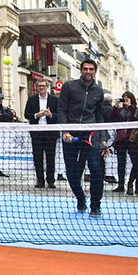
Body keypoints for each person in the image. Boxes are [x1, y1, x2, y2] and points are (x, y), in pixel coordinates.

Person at [60, 59, 108, 215]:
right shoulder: (69, 86)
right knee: (71, 173)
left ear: (95, 71)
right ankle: (81, 199)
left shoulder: (99, 91)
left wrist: (103, 139)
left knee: (95, 168)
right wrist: (65, 131)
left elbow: (99, 115)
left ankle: (96, 206)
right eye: (85, 69)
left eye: (91, 69)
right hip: (71, 133)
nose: (88, 71)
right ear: (81, 70)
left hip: (91, 134)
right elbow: (61, 110)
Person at [24, 79, 59, 189]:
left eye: (43, 86)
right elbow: (26, 114)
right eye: (39, 86)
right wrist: (36, 115)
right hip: (36, 132)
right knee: (37, 157)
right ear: (36, 87)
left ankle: (50, 180)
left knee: (50, 157)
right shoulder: (31, 99)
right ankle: (40, 180)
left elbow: (60, 115)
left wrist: (50, 115)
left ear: (47, 87)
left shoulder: (55, 99)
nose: (41, 88)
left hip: (50, 133)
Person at [109, 92, 137, 194]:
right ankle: (121, 184)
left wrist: (130, 106)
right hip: (121, 138)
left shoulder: (134, 109)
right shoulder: (119, 110)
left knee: (136, 162)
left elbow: (136, 117)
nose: (125, 100)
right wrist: (115, 106)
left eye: (127, 98)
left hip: (132, 138)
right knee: (121, 162)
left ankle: (135, 185)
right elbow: (111, 118)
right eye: (123, 98)